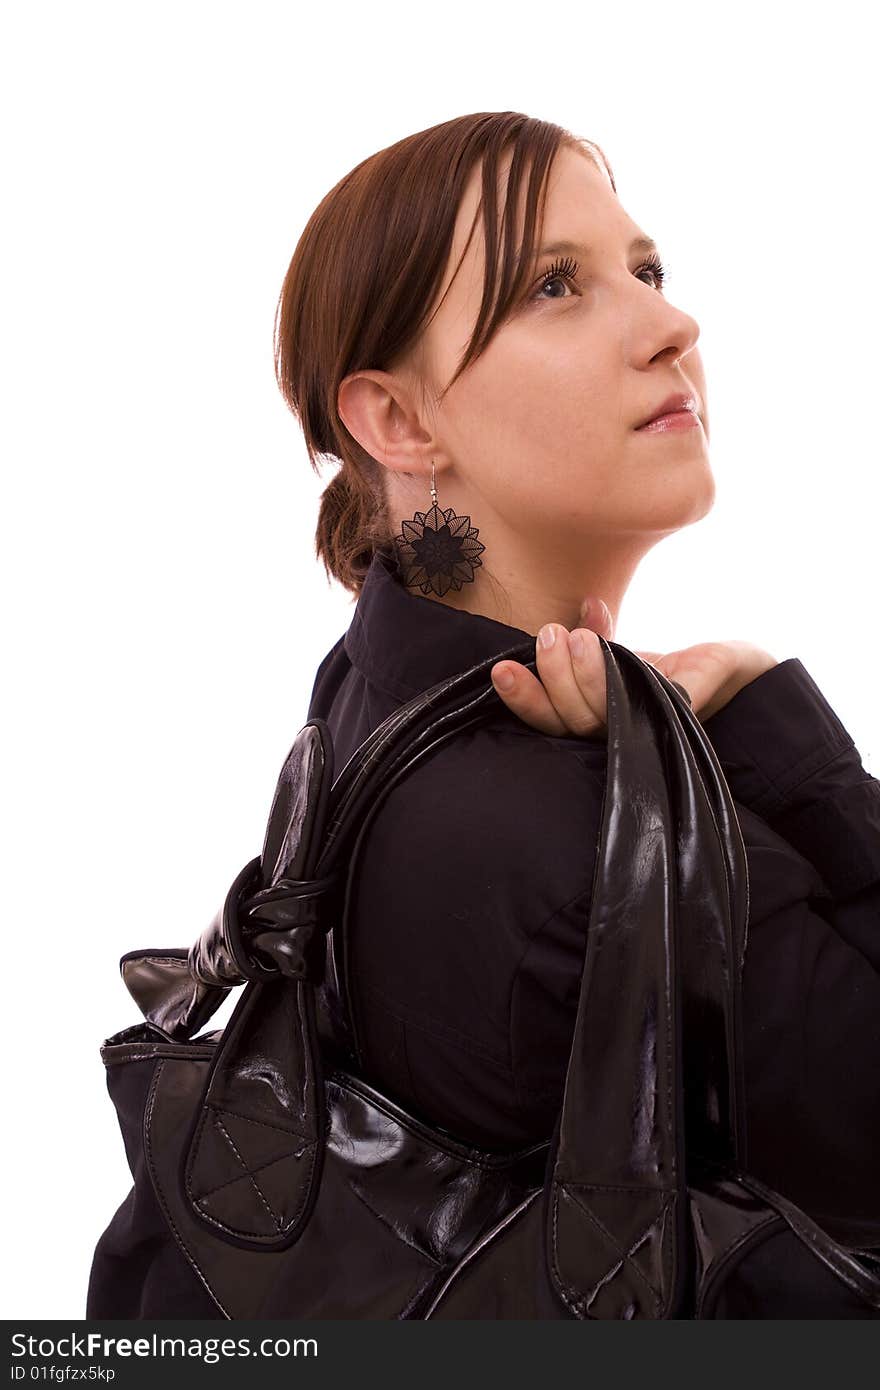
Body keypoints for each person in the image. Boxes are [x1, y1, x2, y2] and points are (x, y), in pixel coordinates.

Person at [284, 112, 880, 1238]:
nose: (671, 323)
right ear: (399, 418)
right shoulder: (613, 849)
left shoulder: (371, 688)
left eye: (646, 268)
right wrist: (783, 736)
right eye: (555, 286)